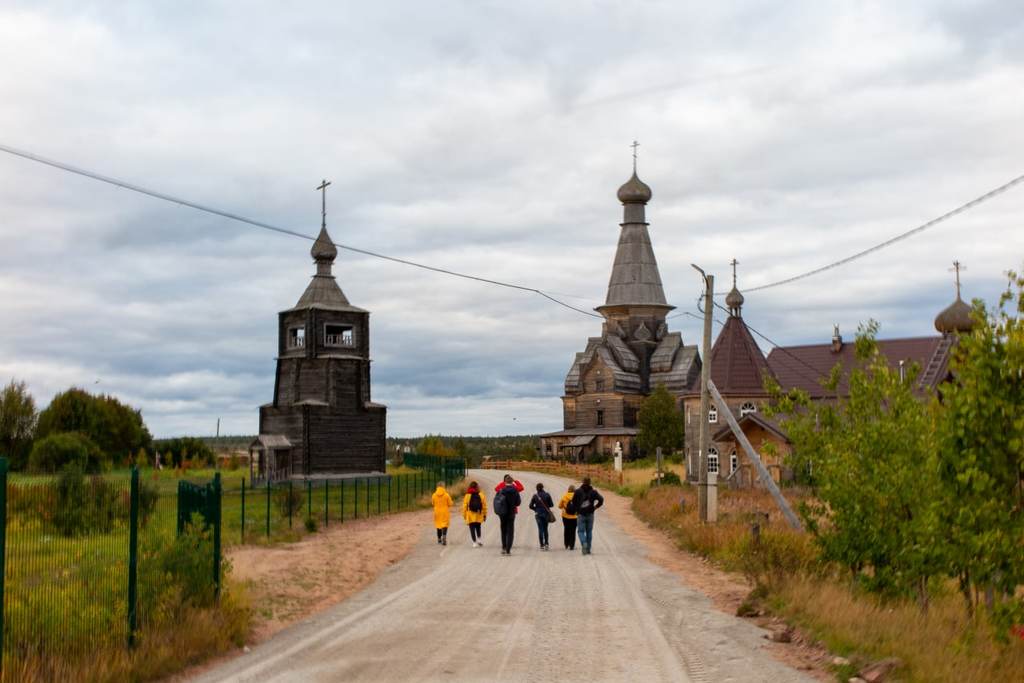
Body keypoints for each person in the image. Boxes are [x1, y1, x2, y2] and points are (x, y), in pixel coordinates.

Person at [571, 477, 604, 555]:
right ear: (590, 482)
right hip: (590, 514)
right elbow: (601, 500)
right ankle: (588, 549)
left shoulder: (577, 491)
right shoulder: (593, 492)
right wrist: (595, 507)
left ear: (582, 482)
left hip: (581, 514)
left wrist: (576, 510)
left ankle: (584, 543)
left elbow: (573, 502)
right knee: (589, 531)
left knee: (580, 531)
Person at [493, 474, 523, 555]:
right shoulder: (515, 490)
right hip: (511, 513)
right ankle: (508, 550)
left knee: (503, 530)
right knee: (510, 531)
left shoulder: (501, 490)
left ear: (505, 482)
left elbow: (497, 500)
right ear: (512, 482)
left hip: (502, 513)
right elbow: (518, 502)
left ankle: (503, 547)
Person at [528, 482, 555, 550]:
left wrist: (535, 509)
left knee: (540, 529)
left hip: (538, 514)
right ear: (543, 487)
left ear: (537, 489)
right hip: (546, 514)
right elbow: (551, 505)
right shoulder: (547, 495)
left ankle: (541, 545)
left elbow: (530, 506)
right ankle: (546, 544)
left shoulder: (535, 496)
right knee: (545, 529)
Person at [462, 480, 487, 547]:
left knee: (472, 528)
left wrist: (464, 515)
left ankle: (474, 542)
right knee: (478, 527)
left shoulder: (467, 495)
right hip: (479, 513)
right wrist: (484, 514)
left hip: (470, 514)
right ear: (477, 487)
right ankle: (479, 539)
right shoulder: (481, 495)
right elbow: (484, 506)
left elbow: (464, 506)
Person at [431, 481, 454, 546]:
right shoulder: (446, 495)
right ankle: (444, 536)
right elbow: (450, 504)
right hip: (445, 512)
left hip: (437, 512)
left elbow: (433, 503)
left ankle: (439, 539)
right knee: (444, 525)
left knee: (438, 525)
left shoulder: (434, 495)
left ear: (437, 487)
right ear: (443, 486)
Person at [558, 484, 578, 550]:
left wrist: (564, 506)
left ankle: (566, 544)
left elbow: (559, 506)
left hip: (565, 516)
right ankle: (572, 545)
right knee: (573, 531)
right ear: (574, 490)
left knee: (566, 529)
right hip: (574, 517)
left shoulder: (565, 496)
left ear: (568, 490)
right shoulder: (577, 496)